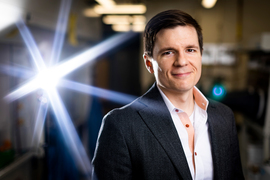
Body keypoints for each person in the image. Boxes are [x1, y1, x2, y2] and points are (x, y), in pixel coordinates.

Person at [92, 9, 245, 180]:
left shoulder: (224, 117)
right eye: (168, 52)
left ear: (201, 54)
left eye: (190, 50)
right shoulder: (121, 125)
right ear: (149, 63)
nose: (181, 61)